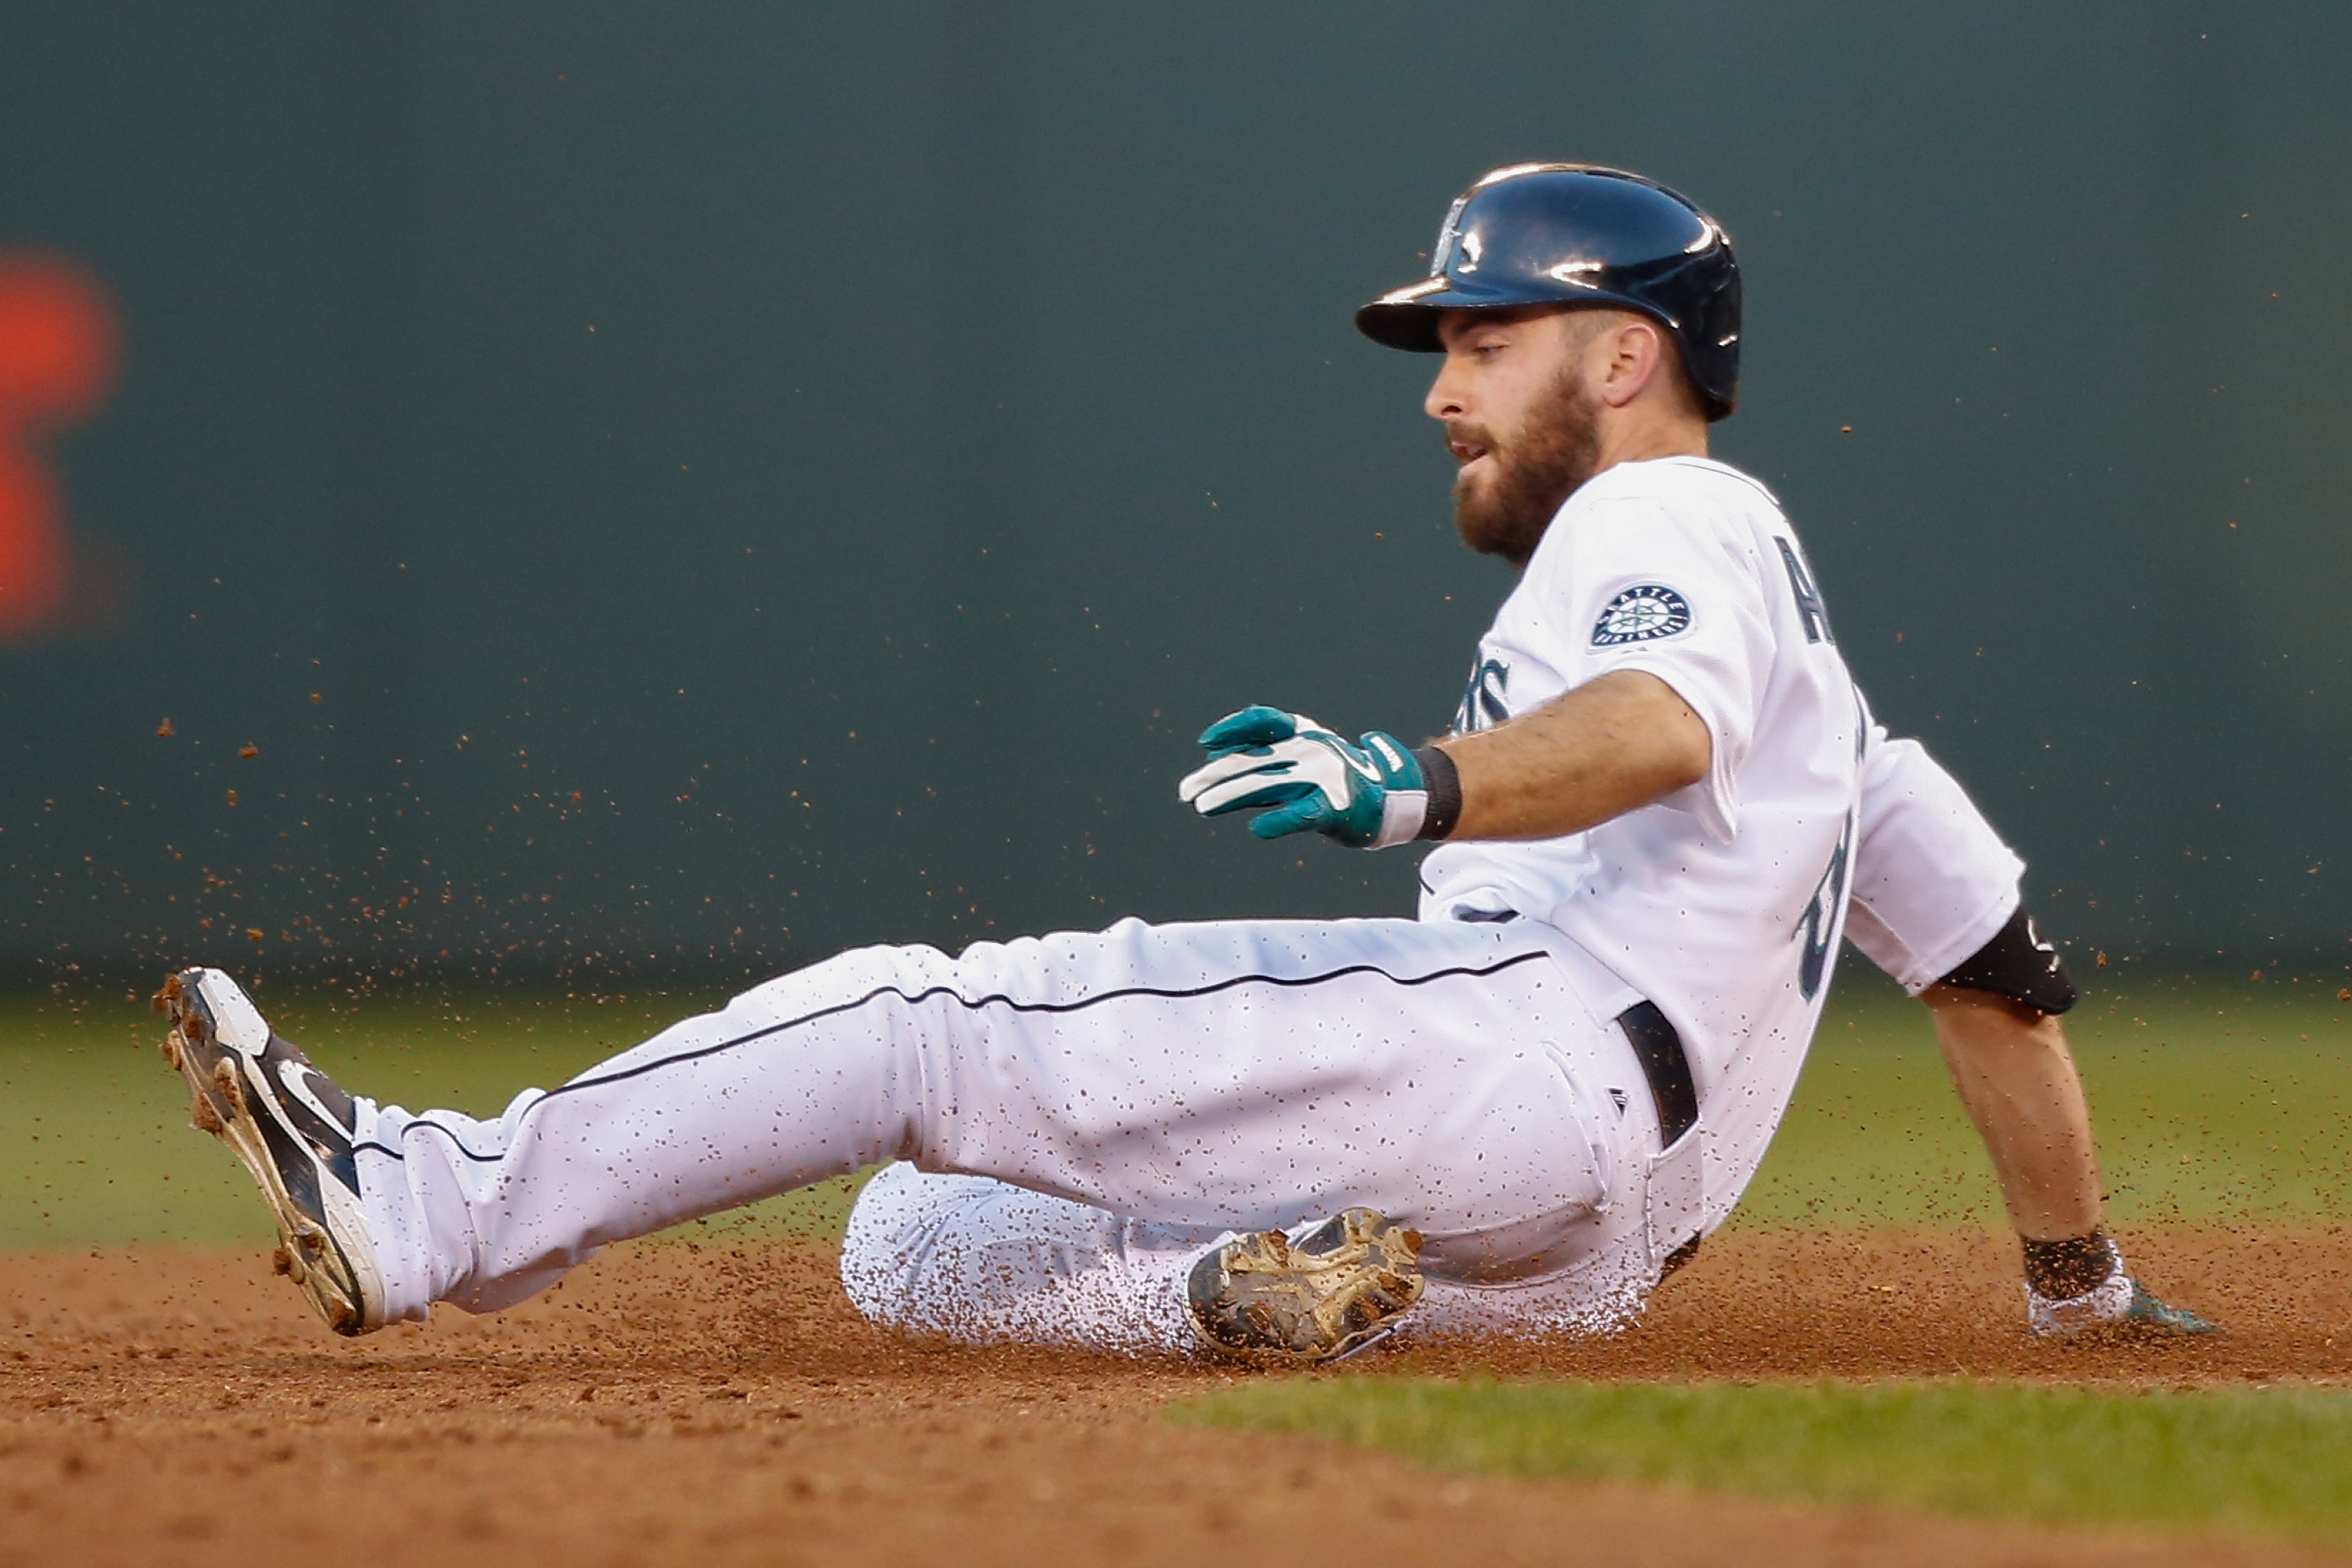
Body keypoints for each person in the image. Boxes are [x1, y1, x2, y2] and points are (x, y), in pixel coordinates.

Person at [157, 163, 2209, 1364]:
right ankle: (1211, 1297)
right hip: (1588, 1262)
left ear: (1624, 353)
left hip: (1528, 1054)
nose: (1446, 392)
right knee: (905, 1234)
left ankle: (420, 1204)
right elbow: (1997, 983)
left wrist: (1414, 782)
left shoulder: (1669, 518)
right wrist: (2079, 1285)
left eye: (1484, 342)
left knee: (921, 1028)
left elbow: (1642, 730)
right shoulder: (1840, 713)